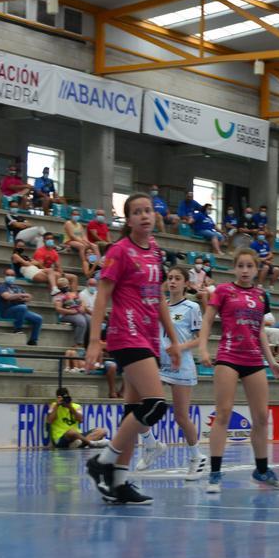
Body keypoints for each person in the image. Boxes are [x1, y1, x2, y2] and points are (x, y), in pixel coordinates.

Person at [84, 193, 183, 506]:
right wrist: (94, 340)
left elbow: (160, 299)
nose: (144, 216)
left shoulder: (155, 251)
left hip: (149, 336)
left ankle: (120, 482)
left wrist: (172, 339)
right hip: (125, 334)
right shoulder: (119, 251)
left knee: (133, 412)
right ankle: (102, 461)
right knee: (156, 405)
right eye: (137, 212)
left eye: (148, 211)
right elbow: (102, 295)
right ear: (128, 220)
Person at [197, 248, 279, 493]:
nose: (245, 270)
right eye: (241, 266)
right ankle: (215, 474)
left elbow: (258, 331)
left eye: (250, 266)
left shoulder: (260, 295)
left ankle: (261, 470)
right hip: (228, 357)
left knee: (261, 417)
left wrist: (271, 361)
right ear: (234, 268)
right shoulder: (224, 291)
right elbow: (207, 319)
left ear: (256, 269)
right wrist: (203, 349)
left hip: (253, 359)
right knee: (223, 414)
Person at [136, 267, 208, 476]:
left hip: (181, 364)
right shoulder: (161, 306)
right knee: (140, 407)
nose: (173, 282)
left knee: (181, 417)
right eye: (170, 278)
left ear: (186, 283)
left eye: (178, 278)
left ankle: (197, 456)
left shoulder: (191, 307)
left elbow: (200, 338)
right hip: (158, 364)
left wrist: (180, 347)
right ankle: (151, 445)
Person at [0, 269, 42, 345]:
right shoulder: (2, 287)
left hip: (21, 311)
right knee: (22, 307)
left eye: (12, 275)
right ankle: (17, 329)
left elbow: (29, 297)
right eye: (8, 275)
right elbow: (7, 296)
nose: (10, 277)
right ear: (4, 276)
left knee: (38, 318)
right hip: (6, 311)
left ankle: (33, 340)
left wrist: (21, 297)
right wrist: (19, 296)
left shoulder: (18, 288)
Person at [53, 275, 90, 351]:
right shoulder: (58, 296)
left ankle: (88, 343)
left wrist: (82, 307)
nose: (65, 287)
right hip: (66, 315)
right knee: (81, 321)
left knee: (90, 320)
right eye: (62, 286)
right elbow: (58, 309)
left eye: (66, 285)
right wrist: (70, 312)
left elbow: (82, 302)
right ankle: (78, 343)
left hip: (78, 312)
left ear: (68, 285)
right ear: (59, 287)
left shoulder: (73, 294)